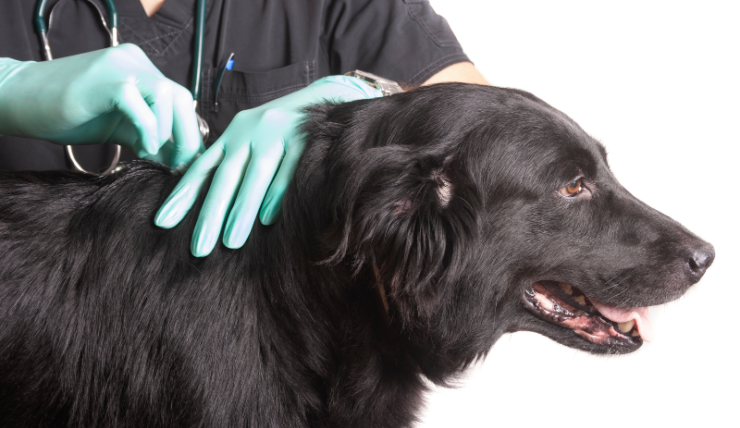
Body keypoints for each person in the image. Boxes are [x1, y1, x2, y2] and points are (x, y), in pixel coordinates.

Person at [0, 0, 488, 257]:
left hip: (241, 369)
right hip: (26, 336)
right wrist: (11, 88)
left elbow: (490, 133)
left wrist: (370, 100)